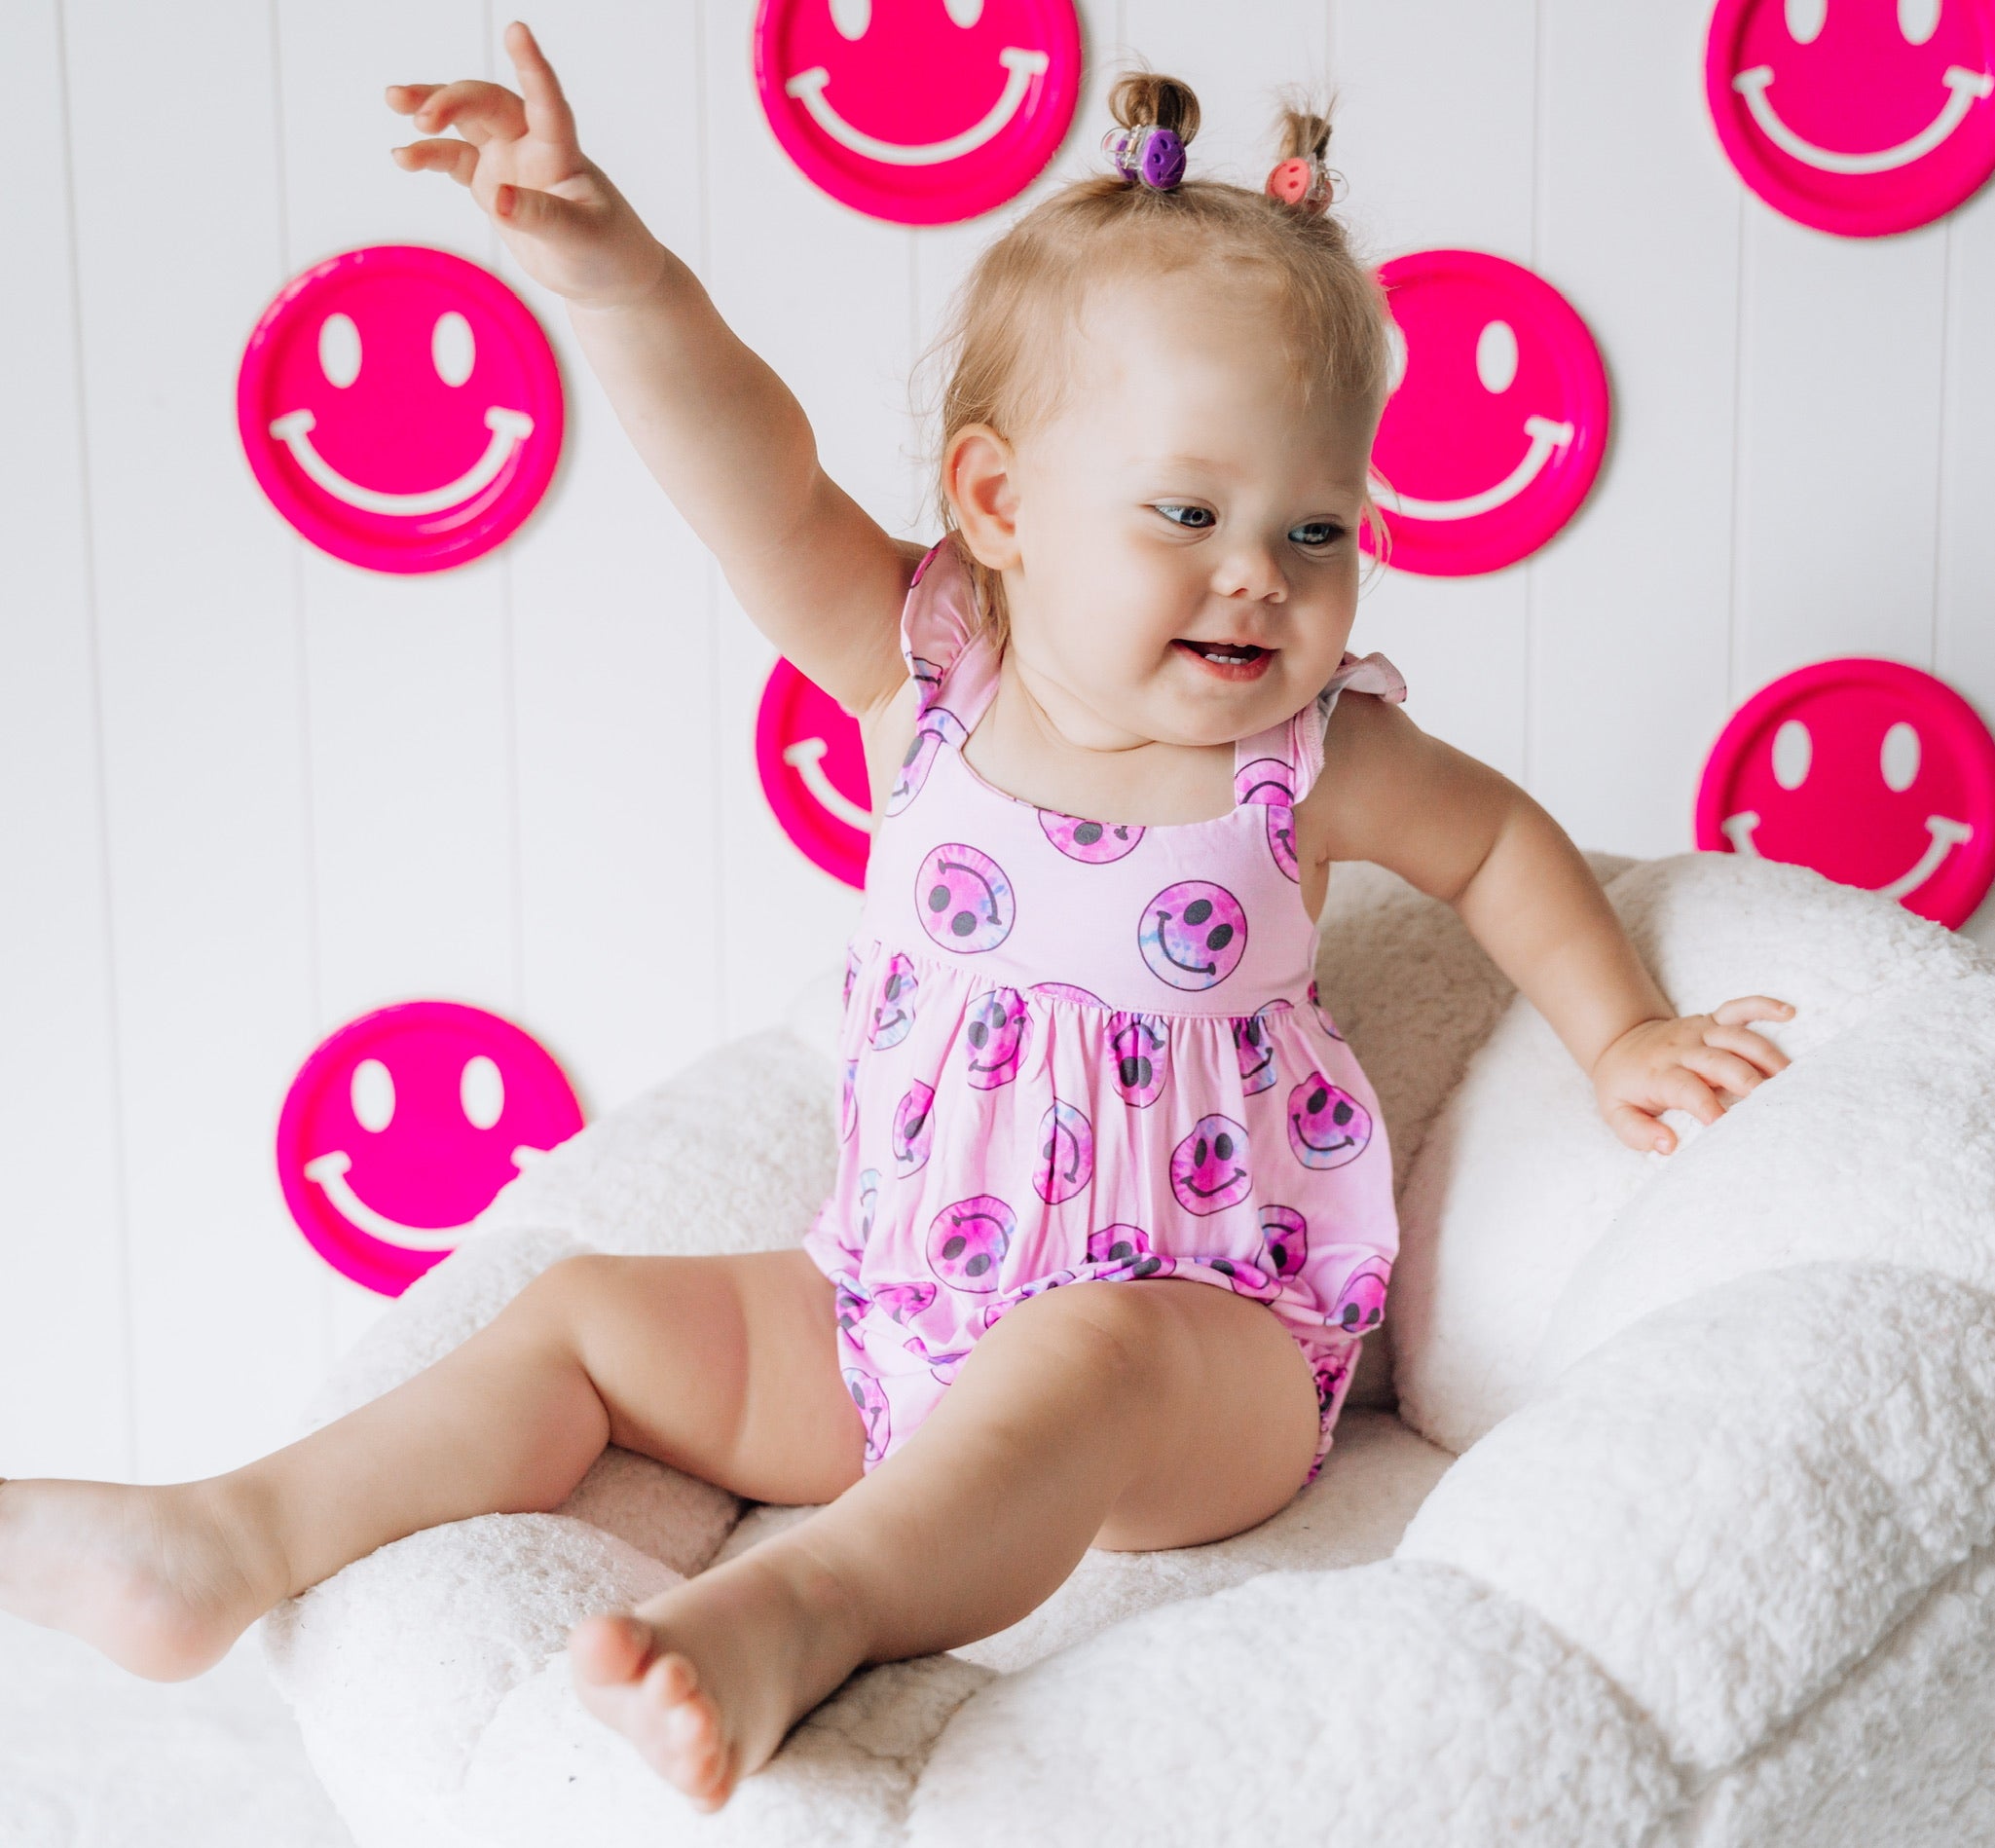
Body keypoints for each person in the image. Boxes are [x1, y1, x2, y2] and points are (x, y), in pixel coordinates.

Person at [0, 22, 1793, 1813]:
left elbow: (1497, 845)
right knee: (584, 1313)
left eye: (1317, 529)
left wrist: (1619, 1029)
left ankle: (805, 1610)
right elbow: (758, 478)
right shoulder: (922, 674)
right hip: (883, 1313)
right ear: (999, 503)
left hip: (1203, 1348)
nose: (1258, 574)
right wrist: (616, 272)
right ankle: (226, 1536)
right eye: (1188, 511)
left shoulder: (1309, 760)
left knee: (1079, 1358)